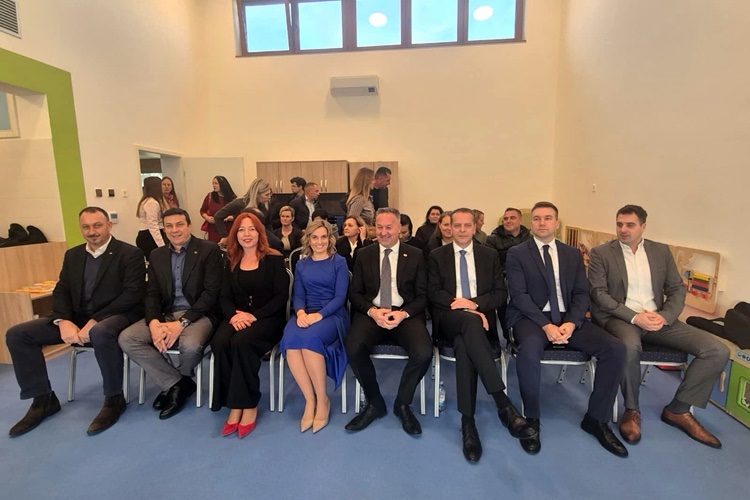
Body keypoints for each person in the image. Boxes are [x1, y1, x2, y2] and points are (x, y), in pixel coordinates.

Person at [588, 204, 729, 448]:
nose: (623, 229)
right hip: (620, 318)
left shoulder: (661, 251)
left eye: (630, 225)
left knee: (717, 351)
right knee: (629, 347)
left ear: (643, 226)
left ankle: (678, 409)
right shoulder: (601, 253)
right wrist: (635, 317)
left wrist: (664, 316)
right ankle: (632, 410)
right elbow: (599, 294)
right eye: (619, 224)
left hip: (658, 319)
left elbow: (676, 289)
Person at [6, 207, 145, 437]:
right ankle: (42, 399)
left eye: (97, 225)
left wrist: (96, 320)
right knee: (18, 334)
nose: (92, 231)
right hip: (77, 318)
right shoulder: (73, 255)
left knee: (100, 332)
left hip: (117, 315)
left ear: (109, 226)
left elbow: (132, 294)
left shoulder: (130, 254)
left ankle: (114, 399)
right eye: (86, 227)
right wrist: (62, 320)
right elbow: (61, 290)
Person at [505, 201, 628, 457]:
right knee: (529, 349)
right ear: (531, 223)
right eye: (537, 218)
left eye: (547, 218)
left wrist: (571, 323)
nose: (542, 223)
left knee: (615, 348)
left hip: (569, 318)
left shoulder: (572, 254)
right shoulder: (517, 253)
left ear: (556, 223)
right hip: (532, 318)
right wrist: (546, 325)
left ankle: (596, 419)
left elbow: (582, 293)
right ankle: (532, 419)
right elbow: (519, 295)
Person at [428, 208, 536, 462]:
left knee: (464, 346)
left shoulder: (489, 255)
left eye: (467, 225)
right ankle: (503, 403)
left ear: (475, 227)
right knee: (468, 323)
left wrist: (475, 305)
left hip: (479, 324)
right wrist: (467, 308)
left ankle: (468, 424)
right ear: (450, 227)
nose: (462, 230)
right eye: (457, 225)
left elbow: (500, 294)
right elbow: (433, 292)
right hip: (449, 318)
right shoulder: (437, 256)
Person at [119, 208, 223, 420]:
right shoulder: (156, 255)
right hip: (166, 314)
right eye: (169, 226)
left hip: (199, 313)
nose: (175, 230)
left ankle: (178, 383)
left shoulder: (208, 250)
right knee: (128, 338)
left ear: (189, 226)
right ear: (164, 229)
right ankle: (177, 384)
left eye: (179, 224)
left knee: (190, 346)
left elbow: (211, 293)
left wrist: (182, 323)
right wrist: (154, 322)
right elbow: (152, 293)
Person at [345, 208, 432, 435]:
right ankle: (375, 403)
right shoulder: (364, 254)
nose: (383, 232)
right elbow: (355, 293)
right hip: (372, 314)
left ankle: (402, 404)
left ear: (399, 228)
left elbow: (423, 295)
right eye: (379, 227)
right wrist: (372, 311)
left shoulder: (415, 254)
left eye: (389, 227)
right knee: (353, 347)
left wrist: (404, 313)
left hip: (404, 314)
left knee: (423, 352)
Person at [210, 213, 289, 438]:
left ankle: (249, 403)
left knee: (241, 342)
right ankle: (234, 403)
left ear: (259, 232)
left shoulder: (274, 260)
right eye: (241, 230)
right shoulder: (230, 260)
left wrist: (254, 316)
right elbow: (224, 296)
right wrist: (233, 316)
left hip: (267, 319)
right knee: (220, 341)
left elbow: (280, 297)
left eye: (251, 229)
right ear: (235, 235)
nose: (247, 234)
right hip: (237, 316)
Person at [280, 220, 349, 433]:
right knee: (291, 341)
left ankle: (323, 398)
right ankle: (310, 400)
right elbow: (299, 295)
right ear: (308, 240)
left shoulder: (339, 262)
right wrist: (301, 313)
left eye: (323, 237)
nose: (319, 242)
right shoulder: (302, 264)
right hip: (306, 312)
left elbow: (340, 297)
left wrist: (319, 315)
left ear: (330, 239)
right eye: (315, 237)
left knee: (310, 341)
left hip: (332, 314)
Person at [484, 207, 531, 334]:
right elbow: (489, 265)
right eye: (505, 219)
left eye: (512, 218)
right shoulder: (492, 239)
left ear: (520, 220)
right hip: (503, 278)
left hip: (527, 277)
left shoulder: (531, 239)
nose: (508, 221)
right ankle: (507, 335)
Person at [214, 178, 273, 246]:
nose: (269, 197)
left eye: (270, 194)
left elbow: (268, 224)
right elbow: (218, 216)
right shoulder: (239, 203)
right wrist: (224, 235)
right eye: (266, 195)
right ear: (257, 194)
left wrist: (270, 239)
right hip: (241, 242)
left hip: (259, 242)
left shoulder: (265, 205)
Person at [135, 176, 167, 260]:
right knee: (157, 262)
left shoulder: (148, 201)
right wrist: (162, 246)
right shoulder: (152, 203)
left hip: (147, 235)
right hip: (149, 237)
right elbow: (153, 226)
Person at [200, 175, 238, 243]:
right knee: (214, 247)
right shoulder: (210, 196)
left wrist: (232, 217)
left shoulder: (232, 198)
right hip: (213, 229)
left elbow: (238, 213)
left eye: (216, 183)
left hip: (228, 228)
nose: (214, 185)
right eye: (213, 183)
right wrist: (207, 218)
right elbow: (202, 210)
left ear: (222, 184)